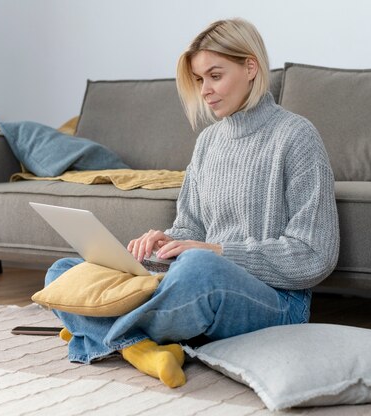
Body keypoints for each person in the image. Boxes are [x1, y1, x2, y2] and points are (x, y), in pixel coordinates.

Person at [44, 18, 340, 388]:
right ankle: (141, 346)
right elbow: (191, 229)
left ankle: (96, 329)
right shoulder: (208, 142)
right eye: (200, 80)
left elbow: (315, 255)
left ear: (251, 67)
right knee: (64, 271)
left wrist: (215, 251)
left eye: (215, 76)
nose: (206, 90)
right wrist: (164, 242)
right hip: (196, 279)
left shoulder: (297, 137)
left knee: (198, 268)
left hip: (277, 302)